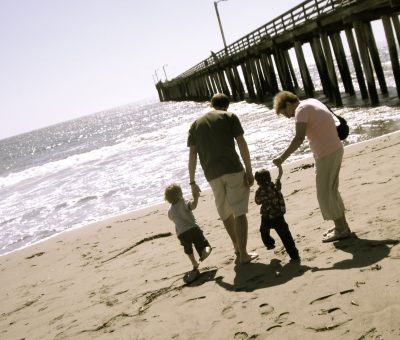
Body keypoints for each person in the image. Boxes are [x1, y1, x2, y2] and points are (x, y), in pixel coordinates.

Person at [187, 93, 258, 264]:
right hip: (233, 169)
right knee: (239, 212)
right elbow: (241, 142)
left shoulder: (195, 125)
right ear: (227, 105)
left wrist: (192, 181)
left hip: (212, 175)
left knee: (225, 213)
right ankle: (243, 254)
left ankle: (236, 248)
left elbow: (192, 155)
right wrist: (249, 170)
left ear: (211, 104)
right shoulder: (229, 116)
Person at [272, 91, 351, 242]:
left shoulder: (301, 110)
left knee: (326, 193)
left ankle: (341, 229)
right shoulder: (311, 101)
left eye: (285, 113)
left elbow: (299, 138)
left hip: (327, 153)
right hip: (333, 149)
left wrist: (282, 158)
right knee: (331, 190)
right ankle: (342, 225)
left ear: (288, 104)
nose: (288, 117)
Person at [254, 165, 300, 261]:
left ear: (258, 182)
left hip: (266, 217)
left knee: (264, 231)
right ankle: (294, 254)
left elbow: (257, 202)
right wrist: (279, 167)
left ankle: (270, 243)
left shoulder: (259, 191)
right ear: (270, 178)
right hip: (278, 216)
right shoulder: (275, 186)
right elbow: (279, 175)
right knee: (286, 236)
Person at [165, 183, 212, 271]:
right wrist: (196, 198)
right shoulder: (184, 201)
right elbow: (193, 206)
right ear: (180, 194)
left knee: (188, 249)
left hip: (181, 234)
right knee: (203, 244)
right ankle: (205, 251)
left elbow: (171, 218)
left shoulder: (170, 210)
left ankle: (194, 263)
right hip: (193, 229)